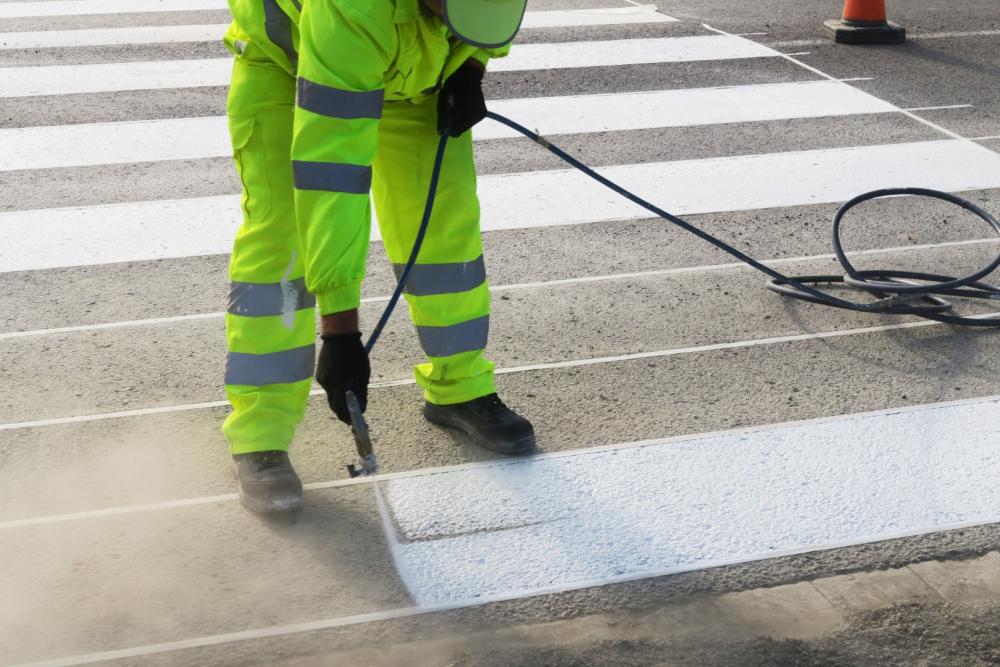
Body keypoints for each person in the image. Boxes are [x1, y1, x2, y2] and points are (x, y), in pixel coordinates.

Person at [222, 0, 534, 513]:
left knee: (443, 223)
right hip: (295, 70)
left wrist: (472, 65)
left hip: (416, 72)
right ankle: (261, 431)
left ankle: (460, 386)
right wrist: (341, 332)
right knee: (286, 241)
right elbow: (333, 175)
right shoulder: (352, 7)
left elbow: (493, 16)